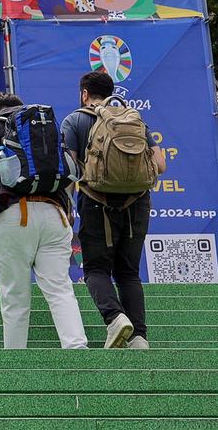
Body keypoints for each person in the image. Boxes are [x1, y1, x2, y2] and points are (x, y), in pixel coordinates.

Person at [0, 92, 88, 350]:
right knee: (60, 289)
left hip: (14, 215)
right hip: (55, 215)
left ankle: (16, 361)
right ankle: (77, 349)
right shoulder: (44, 127)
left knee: (15, 296)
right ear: (20, 107)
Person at [62, 70, 167, 349]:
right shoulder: (134, 120)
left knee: (96, 268)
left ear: (84, 94)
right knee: (129, 272)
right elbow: (160, 165)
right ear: (110, 93)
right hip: (137, 203)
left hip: (96, 202)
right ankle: (139, 337)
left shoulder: (75, 120)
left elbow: (71, 170)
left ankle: (115, 318)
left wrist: (68, 206)